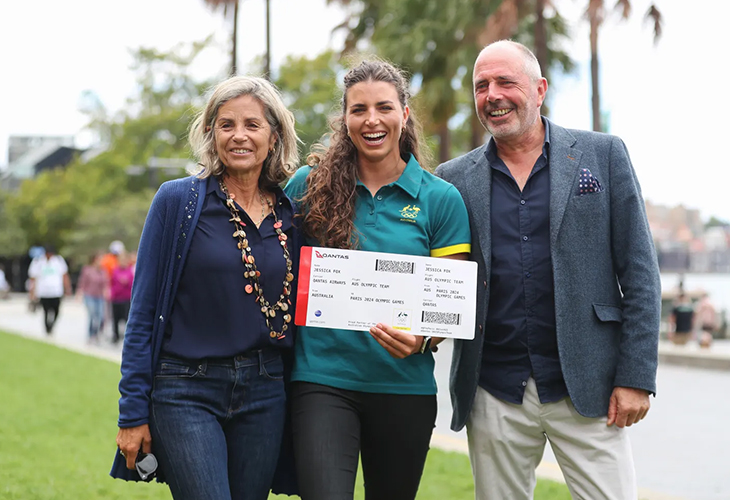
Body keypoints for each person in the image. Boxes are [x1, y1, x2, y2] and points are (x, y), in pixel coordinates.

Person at [436, 40, 661, 500]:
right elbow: (439, 275)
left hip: (589, 387)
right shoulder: (453, 178)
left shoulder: (604, 155)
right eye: (481, 86)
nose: (492, 94)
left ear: (539, 89)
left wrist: (636, 376)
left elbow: (640, 271)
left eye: (505, 82)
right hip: (494, 388)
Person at [284, 59, 471, 500]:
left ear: (404, 114)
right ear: (344, 119)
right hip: (321, 381)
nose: (372, 120)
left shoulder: (440, 199)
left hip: (402, 387)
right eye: (358, 109)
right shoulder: (306, 187)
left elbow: (449, 301)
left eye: (384, 107)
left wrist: (424, 337)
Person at [110, 75, 300, 500]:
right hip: (184, 390)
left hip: (265, 390)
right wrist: (131, 413)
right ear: (210, 133)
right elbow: (141, 315)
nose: (239, 136)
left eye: (252, 125)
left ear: (274, 135)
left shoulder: (291, 213)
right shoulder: (177, 201)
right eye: (226, 124)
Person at [27, 245, 72, 334]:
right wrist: (32, 292)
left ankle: (51, 325)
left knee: (56, 310)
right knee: (46, 310)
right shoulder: (38, 262)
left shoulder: (58, 261)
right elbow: (33, 278)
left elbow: (64, 275)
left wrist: (67, 288)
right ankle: (47, 328)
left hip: (56, 291)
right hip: (43, 291)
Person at [75, 253, 108, 344]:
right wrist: (79, 293)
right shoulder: (87, 270)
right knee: (93, 316)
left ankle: (97, 333)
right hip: (89, 295)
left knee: (101, 316)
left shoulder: (103, 271)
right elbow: (82, 282)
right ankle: (91, 335)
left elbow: (105, 283)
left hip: (100, 296)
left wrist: (106, 292)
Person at [109, 252, 134, 344]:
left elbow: (132, 283)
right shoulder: (115, 270)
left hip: (126, 298)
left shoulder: (130, 271)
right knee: (115, 318)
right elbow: (112, 282)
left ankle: (126, 335)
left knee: (126, 318)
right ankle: (115, 335)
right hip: (116, 298)